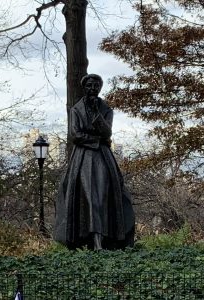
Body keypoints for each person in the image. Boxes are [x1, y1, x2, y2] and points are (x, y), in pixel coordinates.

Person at [54, 74, 135, 250]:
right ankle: (91, 241)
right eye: (90, 86)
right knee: (90, 199)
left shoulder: (106, 110)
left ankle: (108, 240)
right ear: (85, 87)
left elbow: (107, 133)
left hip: (103, 157)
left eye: (96, 86)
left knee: (105, 198)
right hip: (83, 157)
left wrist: (97, 117)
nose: (93, 89)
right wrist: (96, 140)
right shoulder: (76, 110)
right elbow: (75, 135)